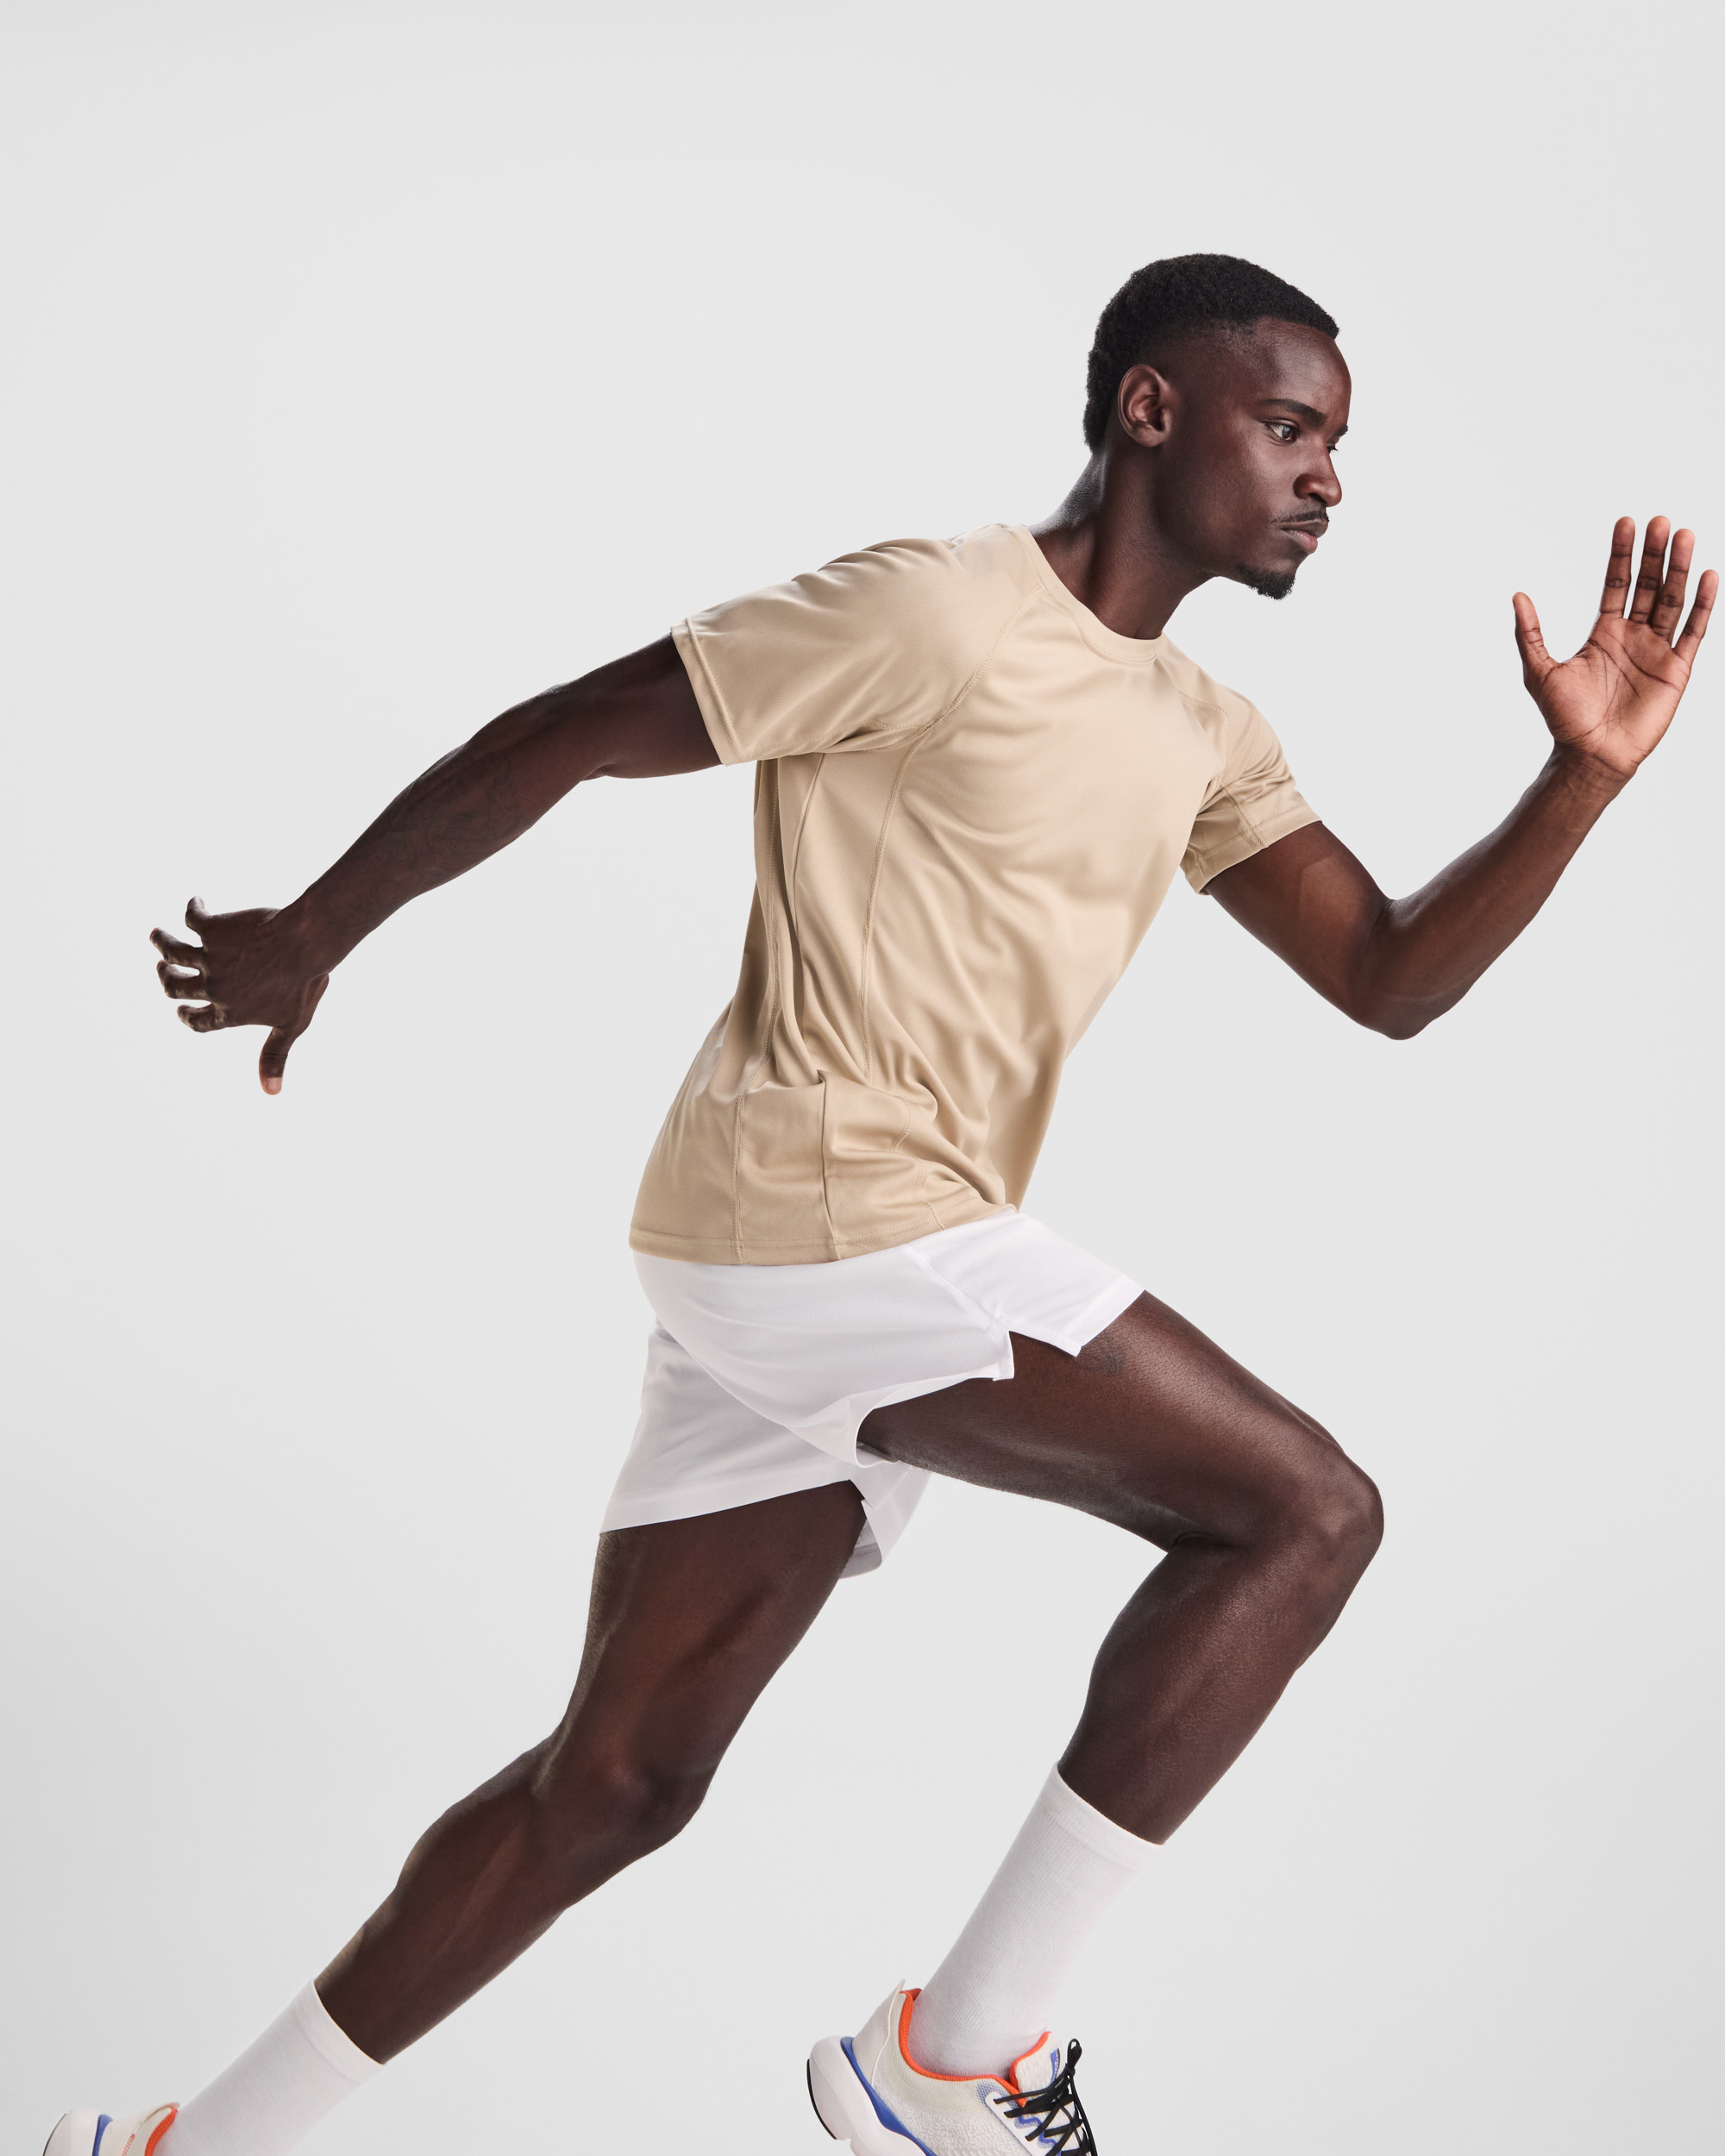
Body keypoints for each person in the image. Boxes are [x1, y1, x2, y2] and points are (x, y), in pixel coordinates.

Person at [51, 253, 1710, 2156]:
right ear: (1150, 410)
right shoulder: (938, 608)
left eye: (1336, 444)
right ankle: (953, 2054)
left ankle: (189, 2148)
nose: (1325, 479)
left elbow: (1388, 975)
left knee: (615, 1782)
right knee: (1306, 1511)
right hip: (830, 1205)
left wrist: (1579, 782)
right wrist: (319, 932)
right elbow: (583, 722)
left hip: (802, 1263)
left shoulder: (1204, 728)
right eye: (1288, 428)